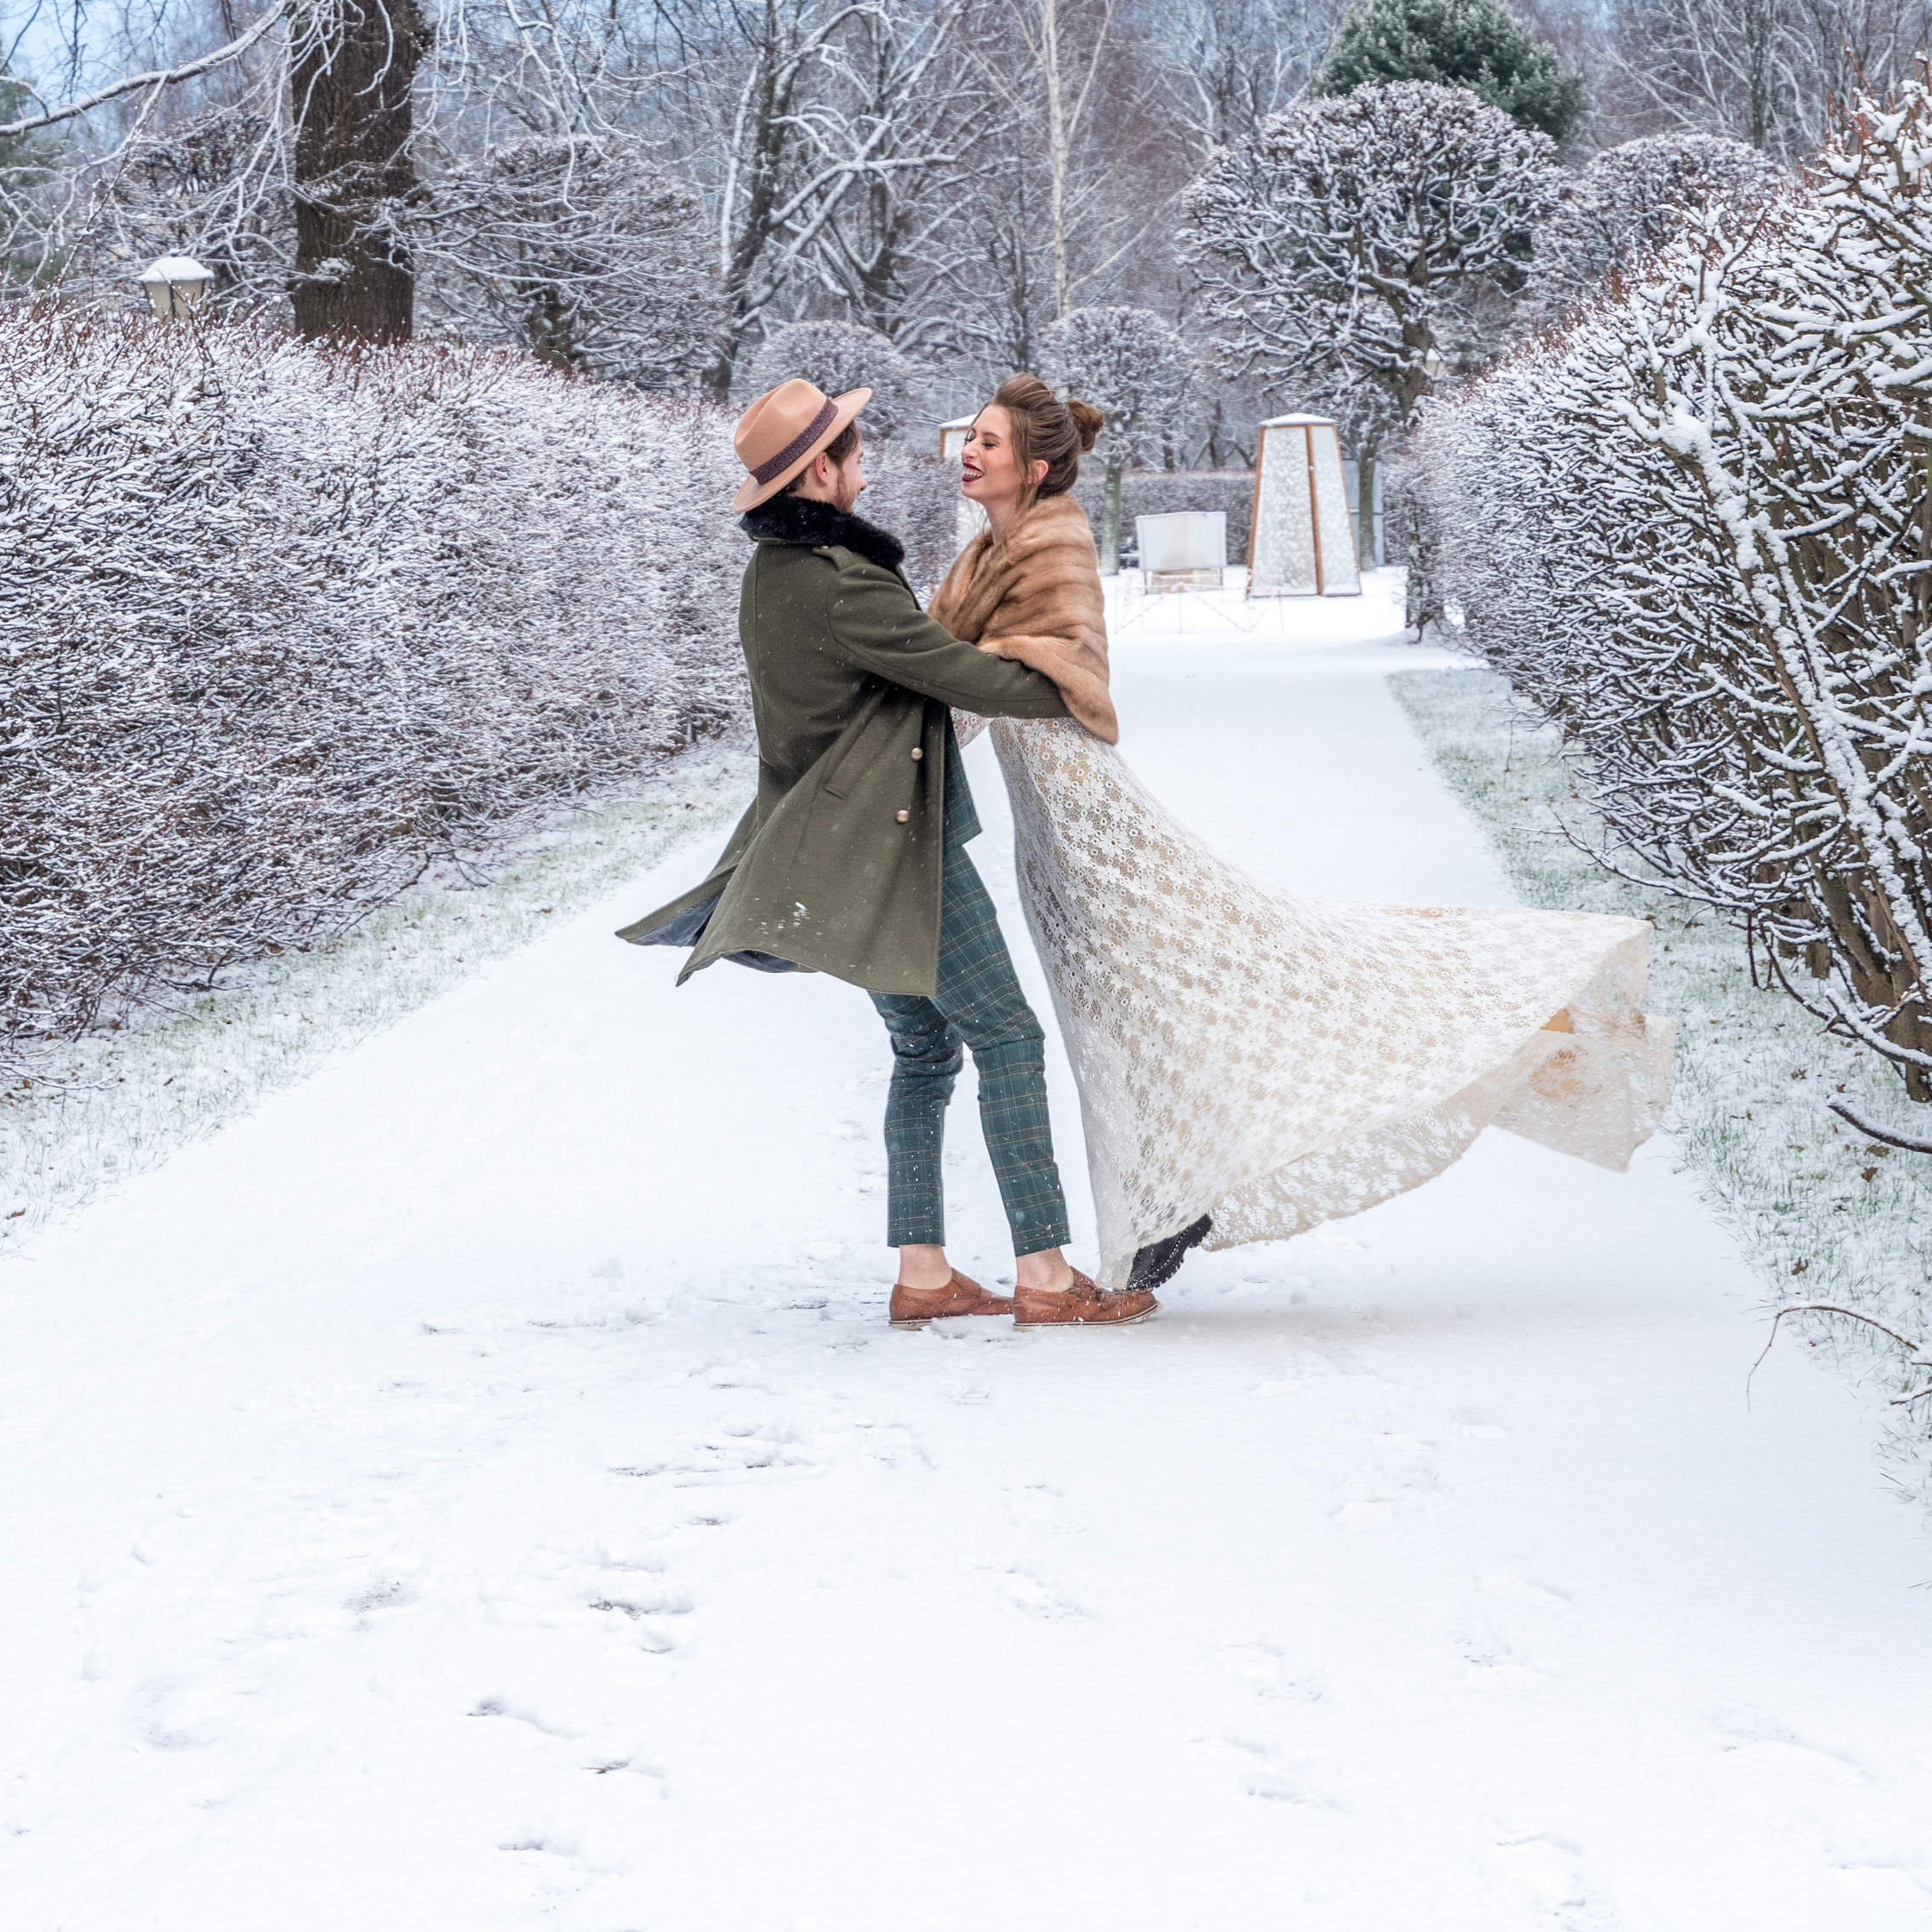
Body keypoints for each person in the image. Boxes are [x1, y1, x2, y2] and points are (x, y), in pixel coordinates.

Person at [931, 375, 1675, 1289]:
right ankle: (1169, 1196)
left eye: (990, 443)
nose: (969, 451)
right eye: (970, 437)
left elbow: (1052, 672)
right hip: (1043, 823)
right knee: (1119, 1002)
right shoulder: (982, 552)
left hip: (1089, 816)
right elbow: (947, 671)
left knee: (1221, 966)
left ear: (1036, 468)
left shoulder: (1053, 541)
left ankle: (1504, 1016)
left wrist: (958, 680)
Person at [619, 375, 1157, 1328]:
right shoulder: (831, 586)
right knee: (1007, 1035)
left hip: (841, 850)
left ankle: (923, 1275)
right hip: (892, 847)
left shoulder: (779, 573)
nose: (866, 467)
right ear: (820, 471)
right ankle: (1043, 1275)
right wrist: (1072, 688)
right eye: (855, 454)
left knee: (923, 1052)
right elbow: (951, 669)